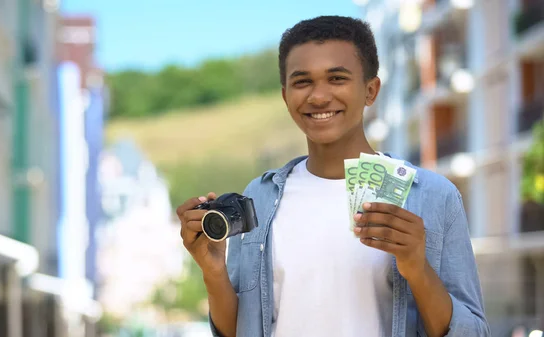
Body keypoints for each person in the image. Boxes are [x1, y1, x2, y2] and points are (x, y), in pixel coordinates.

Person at [176, 15, 490, 337]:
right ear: (286, 97)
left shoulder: (434, 197)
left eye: (337, 78)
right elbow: (240, 330)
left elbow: (473, 332)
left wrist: (418, 270)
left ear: (371, 90)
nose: (319, 96)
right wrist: (213, 272)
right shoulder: (259, 196)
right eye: (302, 82)